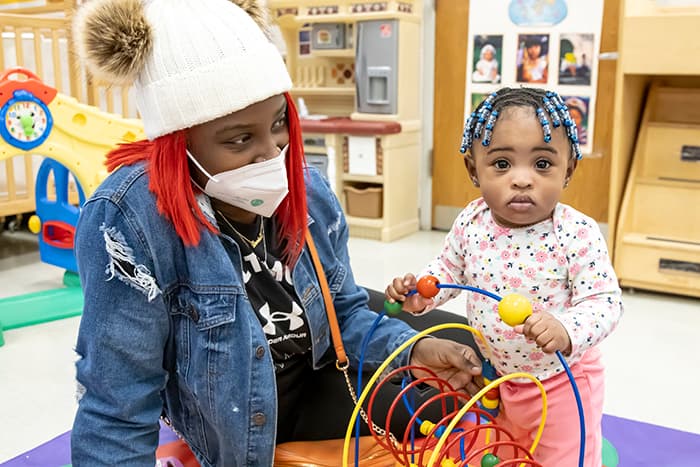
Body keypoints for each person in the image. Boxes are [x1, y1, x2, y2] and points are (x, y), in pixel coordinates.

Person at [69, 0, 483, 466]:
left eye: (278, 124)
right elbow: (117, 401)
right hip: (241, 412)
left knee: (462, 367)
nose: (271, 154)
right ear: (178, 142)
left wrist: (413, 350)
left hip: (320, 368)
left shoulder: (304, 185)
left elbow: (342, 309)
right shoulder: (130, 218)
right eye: (240, 139)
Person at [385, 87, 623, 466]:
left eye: (542, 164)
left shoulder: (576, 232)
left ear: (569, 171)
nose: (522, 179)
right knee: (510, 452)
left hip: (563, 381)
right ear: (473, 170)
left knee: (563, 459)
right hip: (500, 376)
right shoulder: (471, 221)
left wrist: (565, 329)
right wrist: (422, 292)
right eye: (501, 164)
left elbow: (605, 302)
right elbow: (448, 270)